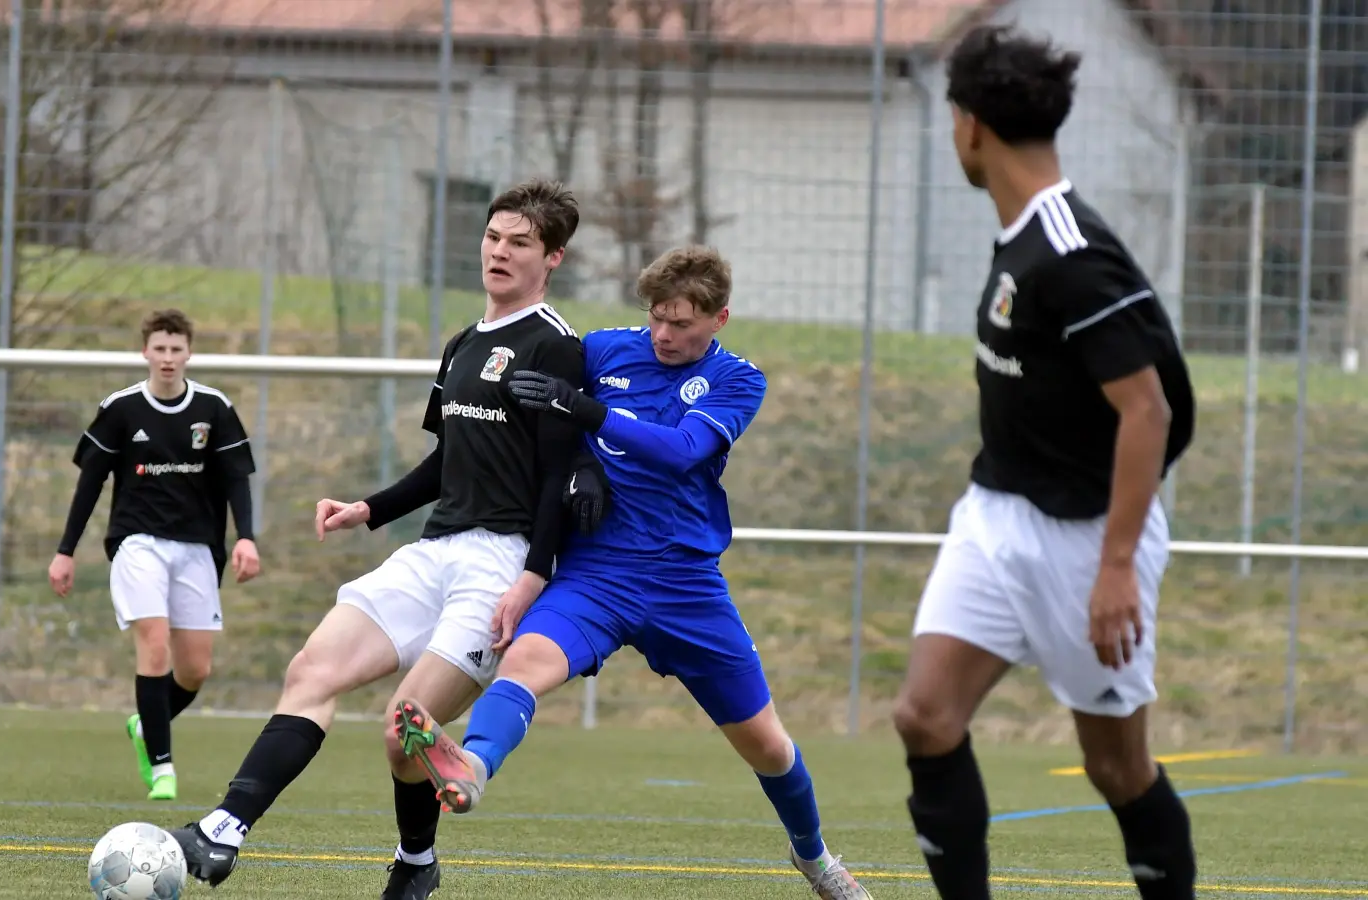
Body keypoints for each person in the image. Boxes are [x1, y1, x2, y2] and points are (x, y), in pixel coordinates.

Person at [390, 246, 874, 900]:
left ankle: (815, 859)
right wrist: (578, 465)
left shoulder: (739, 380)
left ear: (719, 318)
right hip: (599, 571)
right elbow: (550, 418)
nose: (665, 336)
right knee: (526, 660)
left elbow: (683, 451)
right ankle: (472, 767)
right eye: (656, 319)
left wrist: (590, 415)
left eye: (682, 325)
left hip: (685, 583)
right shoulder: (606, 350)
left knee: (766, 744)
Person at [167, 178, 587, 900]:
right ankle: (223, 830)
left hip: (500, 561)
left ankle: (416, 862)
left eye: (520, 243)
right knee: (312, 670)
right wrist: (370, 508)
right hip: (432, 551)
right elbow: (448, 459)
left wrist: (534, 576)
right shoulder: (462, 344)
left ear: (551, 258)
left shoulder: (556, 348)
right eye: (492, 237)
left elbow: (561, 479)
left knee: (405, 730)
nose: (499, 252)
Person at [888, 24, 1199, 900]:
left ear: (972, 125)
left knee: (1117, 768)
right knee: (925, 716)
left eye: (952, 115)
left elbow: (1149, 408)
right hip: (997, 514)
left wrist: (1114, 570)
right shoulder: (1022, 236)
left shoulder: (1069, 250)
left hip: (1089, 536)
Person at [49, 308, 262, 802]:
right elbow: (89, 484)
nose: (167, 358)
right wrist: (65, 551)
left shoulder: (213, 408)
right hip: (136, 542)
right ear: (145, 351)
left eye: (176, 349)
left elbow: (236, 479)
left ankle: (147, 724)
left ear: (189, 352)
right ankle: (163, 767)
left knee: (194, 671)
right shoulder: (122, 408)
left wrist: (246, 537)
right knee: (154, 642)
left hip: (197, 549)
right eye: (159, 349)